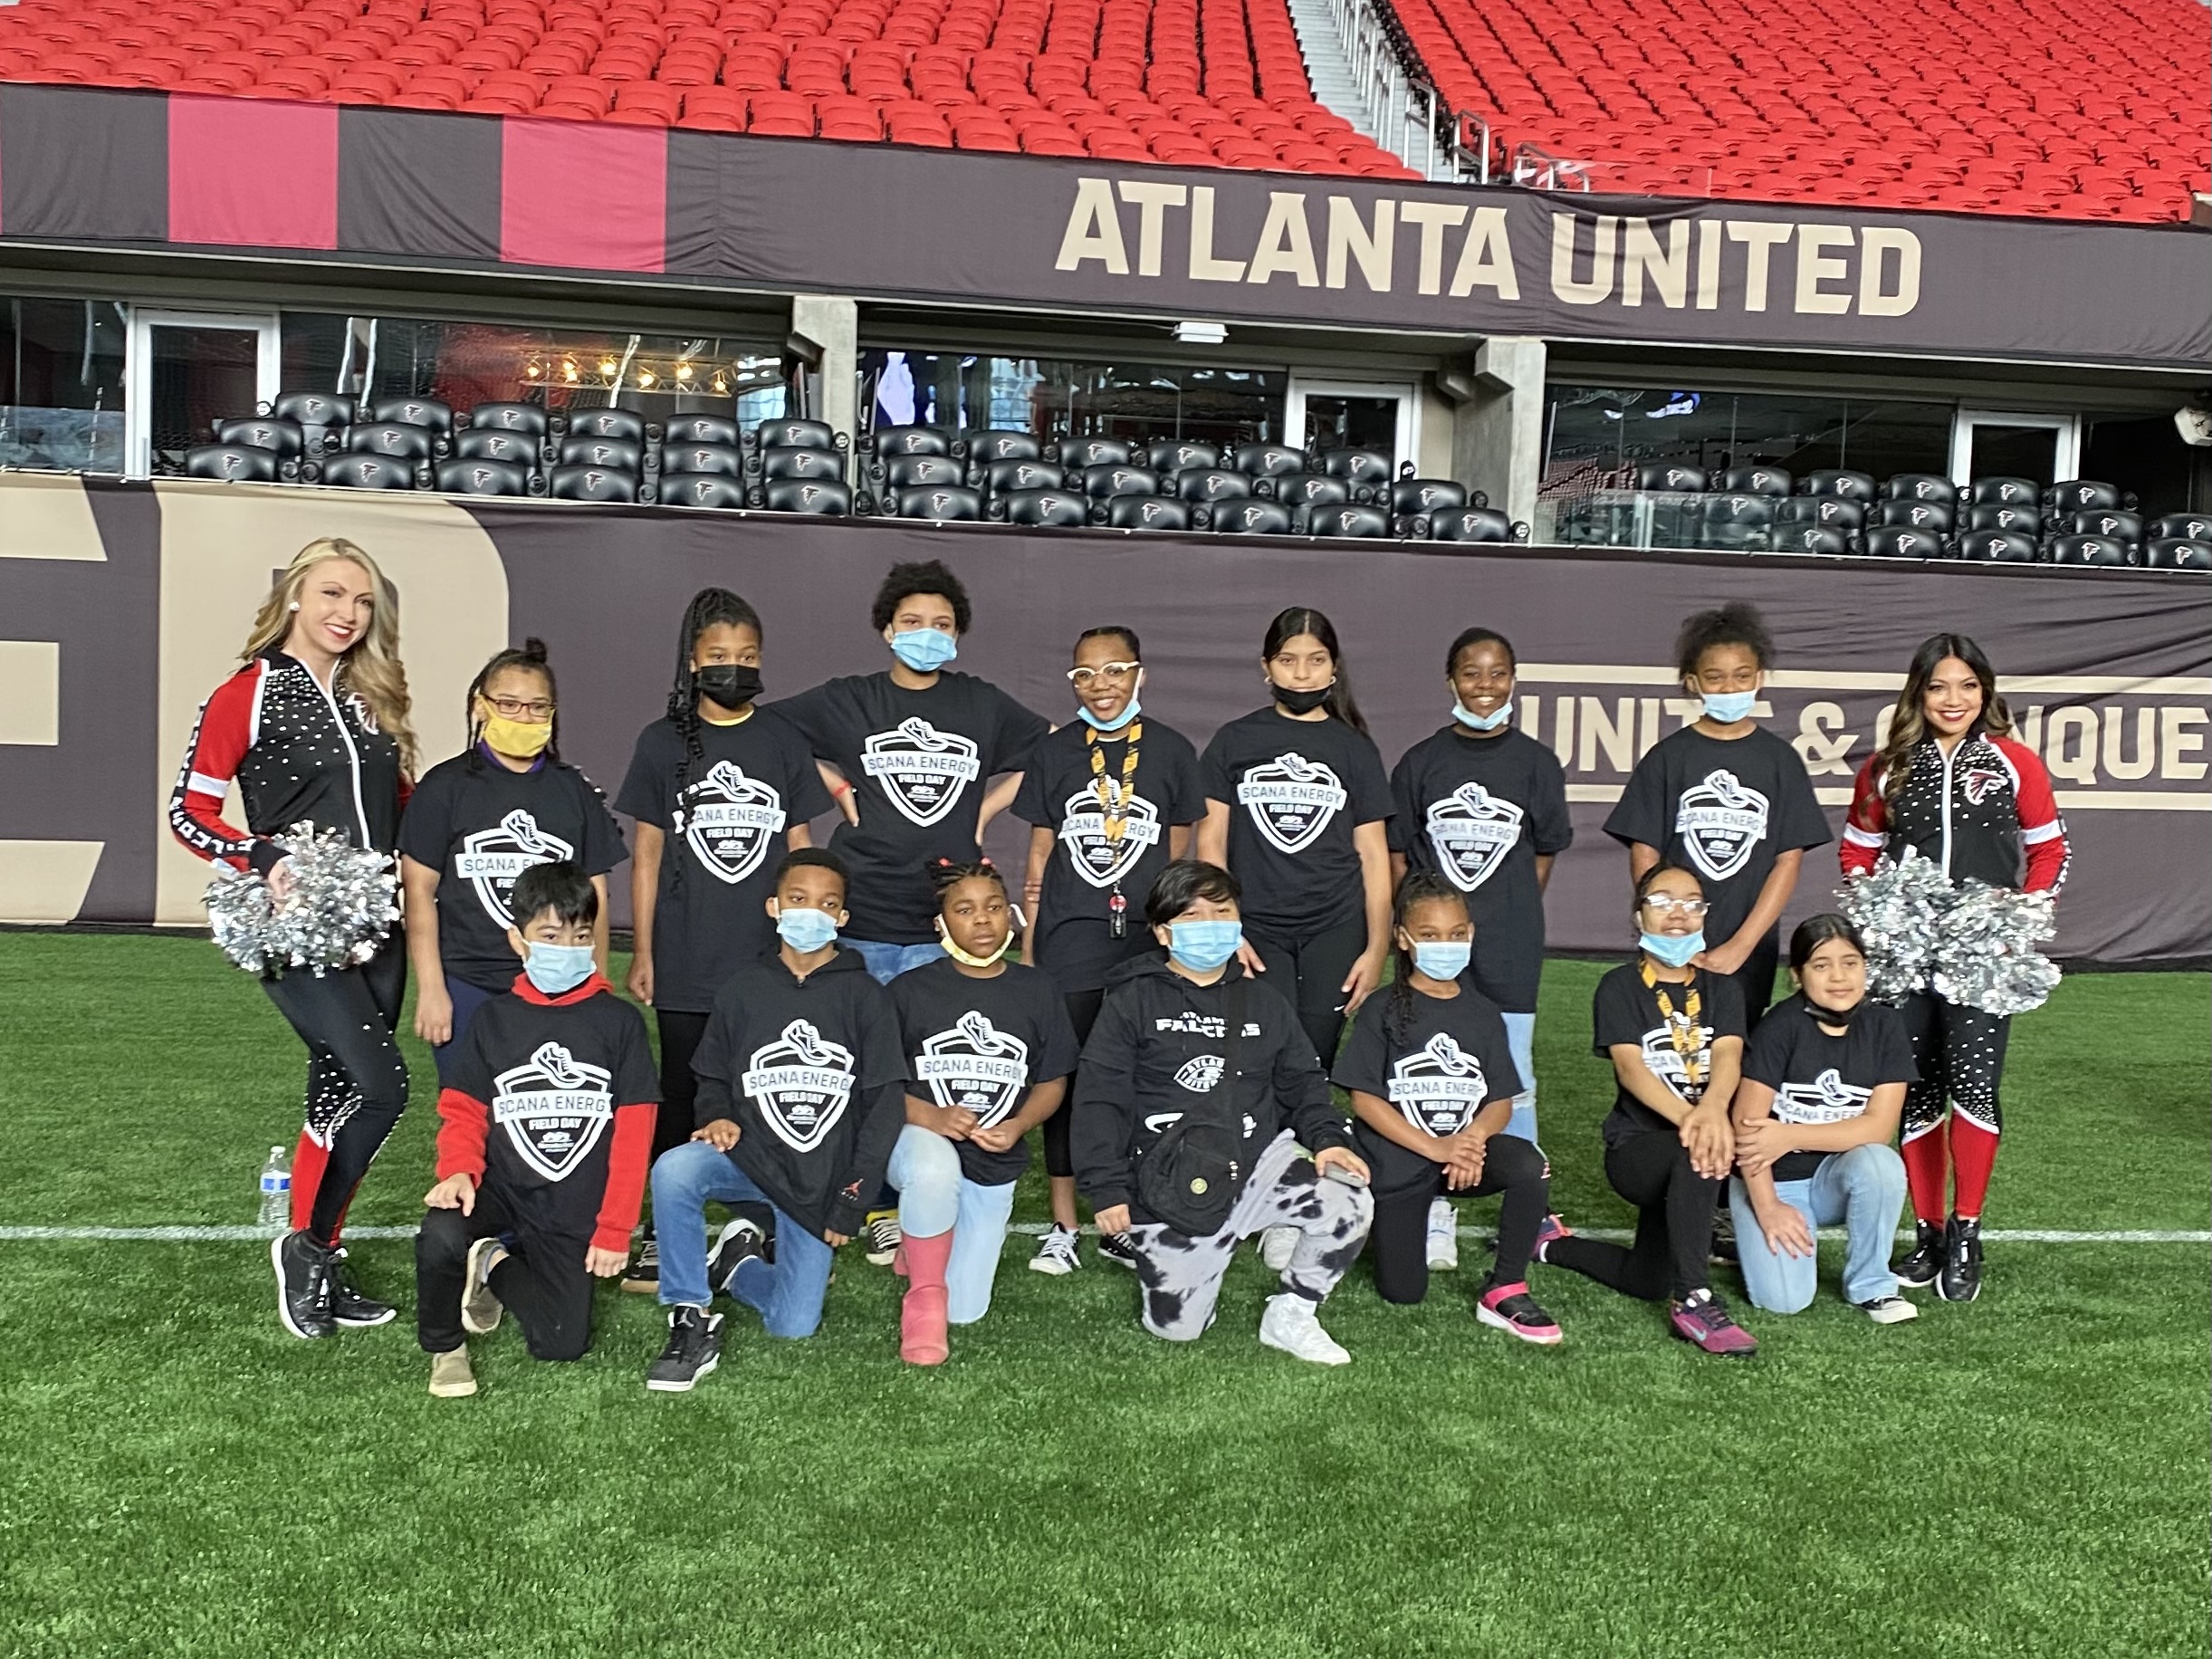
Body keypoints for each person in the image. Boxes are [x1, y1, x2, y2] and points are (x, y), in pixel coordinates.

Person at [169, 537, 417, 1340]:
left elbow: (404, 810)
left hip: (379, 923)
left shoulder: (367, 698)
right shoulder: (247, 692)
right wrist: (262, 854)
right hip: (298, 921)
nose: (348, 615)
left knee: (337, 1094)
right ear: (295, 599)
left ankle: (322, 1252)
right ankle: (305, 1249)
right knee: (384, 1088)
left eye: (364, 602)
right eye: (333, 596)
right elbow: (188, 811)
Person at [771, 559, 1050, 1267]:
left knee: (923, 1067)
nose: (926, 635)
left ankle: (900, 1206)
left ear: (958, 637)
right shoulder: (848, 700)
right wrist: (835, 789)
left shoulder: (981, 705)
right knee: (850, 1058)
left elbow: (1047, 748)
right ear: (886, 629)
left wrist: (981, 811)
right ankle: (846, 1188)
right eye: (913, 623)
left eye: (942, 625)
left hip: (937, 925)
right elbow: (772, 734)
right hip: (860, 912)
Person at [1841, 633, 2070, 1302]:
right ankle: (1928, 1230)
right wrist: (1879, 918)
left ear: (1985, 691)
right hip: (1906, 954)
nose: (1953, 699)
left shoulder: (2013, 761)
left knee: (1973, 1086)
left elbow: (2050, 849)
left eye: (1966, 686)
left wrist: (2018, 919)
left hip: (1980, 954)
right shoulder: (1887, 767)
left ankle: (1967, 1230)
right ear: (1917, 692)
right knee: (1914, 1090)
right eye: (1938, 686)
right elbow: (1856, 852)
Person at [1072, 859, 1374, 1367]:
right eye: (1193, 917)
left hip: (1256, 1161)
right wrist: (1107, 1187)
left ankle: (1294, 1311)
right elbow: (1100, 1096)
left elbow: (1302, 1080)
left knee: (1348, 1199)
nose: (1211, 925)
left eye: (1222, 911)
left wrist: (1328, 1139)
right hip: (1171, 1177)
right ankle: (1199, 1263)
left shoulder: (1264, 1000)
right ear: (1164, 933)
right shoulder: (1132, 1000)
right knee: (1177, 1330)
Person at [613, 588, 829, 1292]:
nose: (733, 668)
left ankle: (752, 1220)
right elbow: (645, 856)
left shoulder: (782, 740)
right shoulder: (660, 741)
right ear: (691, 662)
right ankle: (662, 1225)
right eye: (718, 658)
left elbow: (803, 853)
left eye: (747, 657)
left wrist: (806, 938)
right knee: (682, 1091)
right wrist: (643, 950)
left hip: (765, 955)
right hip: (685, 950)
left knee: (759, 1090)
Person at [643, 849, 905, 1392]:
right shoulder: (743, 988)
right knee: (674, 1170)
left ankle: (738, 1265)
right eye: (798, 899)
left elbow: (883, 1108)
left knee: (793, 1324)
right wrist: (715, 1116)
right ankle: (689, 1313)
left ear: (843, 919)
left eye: (827, 904)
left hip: (819, 1180)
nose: (812, 912)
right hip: (751, 1158)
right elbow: (711, 1076)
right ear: (773, 906)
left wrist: (852, 1198)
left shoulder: (865, 996)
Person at [416, 862, 658, 1397]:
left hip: (573, 1203)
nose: (566, 948)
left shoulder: (619, 1023)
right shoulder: (494, 1019)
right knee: (440, 1232)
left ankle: (493, 1265)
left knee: (560, 1343)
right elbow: (463, 1108)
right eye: (549, 935)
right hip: (502, 1187)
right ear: (518, 939)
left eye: (579, 936)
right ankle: (444, 1347)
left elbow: (635, 1133)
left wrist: (615, 1227)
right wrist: (457, 1170)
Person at [1011, 625, 1203, 1275]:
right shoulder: (1055, 751)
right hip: (1069, 935)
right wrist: (1033, 943)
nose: (1100, 685)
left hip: (1143, 944)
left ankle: (1126, 1217)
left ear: (1139, 674)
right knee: (1064, 1081)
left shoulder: (1174, 751)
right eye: (1085, 674)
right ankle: (1063, 1226)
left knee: (1137, 1080)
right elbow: (1039, 854)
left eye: (1114, 670)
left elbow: (1177, 848)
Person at [1389, 625, 1571, 1272]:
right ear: (1450, 680)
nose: (1485, 686)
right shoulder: (1421, 762)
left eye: (1497, 673)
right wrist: (1413, 931)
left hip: (1510, 947)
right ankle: (1435, 1203)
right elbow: (1398, 856)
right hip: (1433, 947)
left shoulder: (1535, 762)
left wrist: (1505, 907)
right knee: (1429, 1075)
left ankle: (1530, 1210)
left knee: (1511, 1080)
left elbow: (1543, 852)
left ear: (1513, 679)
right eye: (1471, 673)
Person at [1334, 873, 1561, 1343]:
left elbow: (1500, 1099)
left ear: (1471, 934)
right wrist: (1438, 1149)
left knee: (1529, 1165)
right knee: (1403, 1291)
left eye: (1457, 934)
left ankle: (1505, 1287)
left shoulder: (1483, 1013)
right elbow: (1365, 1099)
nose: (1446, 945)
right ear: (1403, 938)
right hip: (1402, 1158)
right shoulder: (1382, 1009)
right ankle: (1371, 1212)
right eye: (1431, 935)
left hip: (1462, 1157)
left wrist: (1472, 1142)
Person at [1542, 864, 1757, 1355]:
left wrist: (1713, 1112)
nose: (1678, 914)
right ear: (1639, 915)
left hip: (1696, 1139)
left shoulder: (1723, 989)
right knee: (1698, 1154)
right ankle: (1694, 1300)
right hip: (1638, 1151)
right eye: (1663, 901)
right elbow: (1632, 1071)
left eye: (1692, 902)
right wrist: (1698, 1121)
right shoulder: (1619, 987)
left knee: (1646, 1278)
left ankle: (1552, 1244)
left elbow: (1728, 1055)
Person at [399, 639, 625, 1082]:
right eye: (510, 704)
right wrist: (431, 989)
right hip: (469, 980)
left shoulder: (573, 791)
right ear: (481, 706)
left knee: (545, 1101)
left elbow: (596, 892)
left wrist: (597, 978)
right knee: (470, 1112)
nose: (524, 717)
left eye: (538, 707)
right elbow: (418, 891)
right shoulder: (444, 787)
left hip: (558, 980)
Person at [885, 860, 1080, 1363]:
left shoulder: (1037, 989)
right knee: (935, 1167)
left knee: (966, 1309)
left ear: (1011, 915)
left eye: (994, 908)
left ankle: (917, 1242)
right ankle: (922, 1296)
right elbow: (874, 1084)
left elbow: (1053, 1080)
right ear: (941, 923)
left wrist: (1018, 1124)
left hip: (993, 1158)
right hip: (917, 1143)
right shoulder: (908, 992)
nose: (983, 921)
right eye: (965, 910)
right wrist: (931, 1117)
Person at [1604, 603, 1830, 1022]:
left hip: (1749, 946)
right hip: (1672, 941)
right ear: (1693, 682)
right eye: (1715, 677)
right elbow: (1645, 855)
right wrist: (1669, 930)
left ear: (1760, 678)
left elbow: (1787, 862)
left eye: (1742, 676)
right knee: (1667, 1049)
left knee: (1735, 1055)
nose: (1729, 688)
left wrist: (1741, 946)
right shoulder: (1668, 758)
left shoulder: (1781, 761)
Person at [1197, 605, 1393, 1065]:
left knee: (1315, 1056)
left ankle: (1307, 1136)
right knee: (1261, 1051)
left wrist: (1377, 946)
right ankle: (1263, 1137)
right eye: (1288, 660)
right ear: (1266, 667)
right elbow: (1210, 845)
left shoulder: (1355, 748)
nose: (1302, 674)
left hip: (1337, 926)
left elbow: (1374, 855)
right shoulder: (1233, 740)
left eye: (1316, 659)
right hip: (1257, 925)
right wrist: (1226, 927)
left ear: (1334, 667)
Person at [1729, 915, 1917, 1324]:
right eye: (1821, 965)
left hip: (1837, 1177)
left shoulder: (1885, 1025)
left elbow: (1877, 1129)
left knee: (1880, 1164)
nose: (1839, 977)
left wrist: (1789, 1133)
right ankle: (1738, 1224)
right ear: (1797, 976)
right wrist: (1767, 1206)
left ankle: (1873, 1285)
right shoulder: (1779, 1027)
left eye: (1850, 963)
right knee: (1785, 1300)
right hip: (1774, 1181)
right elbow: (1748, 1129)